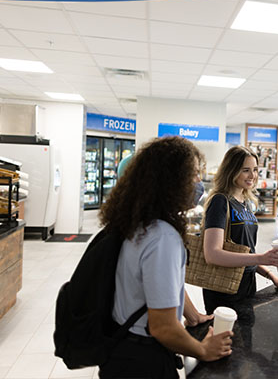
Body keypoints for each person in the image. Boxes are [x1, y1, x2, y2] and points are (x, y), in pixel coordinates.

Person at [98, 136, 232, 378]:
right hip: (142, 360)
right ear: (170, 181)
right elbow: (163, 327)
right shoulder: (163, 237)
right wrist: (203, 350)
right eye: (193, 174)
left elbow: (159, 286)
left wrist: (193, 316)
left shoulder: (139, 223)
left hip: (121, 347)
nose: (199, 182)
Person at [202, 145, 278, 315]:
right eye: (246, 170)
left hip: (247, 284)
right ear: (231, 170)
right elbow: (212, 254)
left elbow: (245, 250)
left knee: (245, 337)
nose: (252, 175)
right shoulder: (220, 202)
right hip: (224, 288)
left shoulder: (246, 202)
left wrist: (271, 276)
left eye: (255, 170)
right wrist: (261, 258)